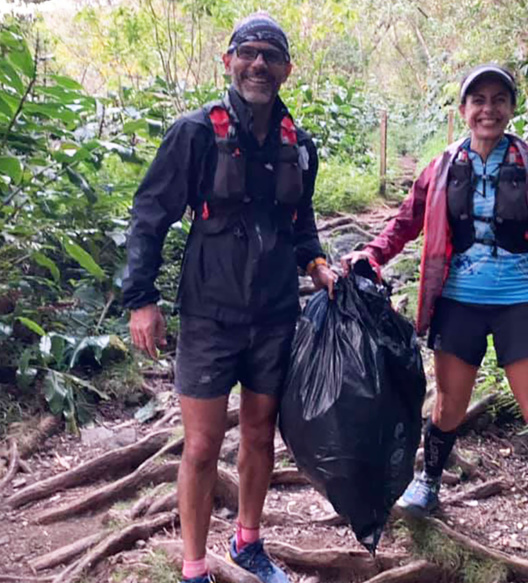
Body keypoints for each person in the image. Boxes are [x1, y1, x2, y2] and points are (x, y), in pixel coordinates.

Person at [342, 64, 528, 569]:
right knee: (446, 407)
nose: (488, 109)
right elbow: (407, 219)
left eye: (498, 99)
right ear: (463, 110)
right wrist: (372, 255)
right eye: (478, 100)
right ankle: (429, 484)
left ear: (511, 107)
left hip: (520, 302)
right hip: (457, 300)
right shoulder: (444, 164)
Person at [122, 13, 336, 583]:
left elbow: (301, 223)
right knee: (201, 445)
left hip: (274, 315)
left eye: (271, 55)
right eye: (248, 52)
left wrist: (317, 264)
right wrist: (141, 299)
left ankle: (247, 542)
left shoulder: (299, 145)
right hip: (209, 317)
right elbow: (150, 215)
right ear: (229, 62)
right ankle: (194, 567)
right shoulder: (195, 133)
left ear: (288, 70)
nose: (259, 64)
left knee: (262, 431)